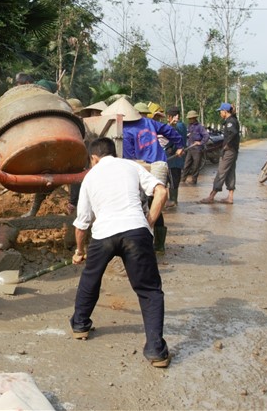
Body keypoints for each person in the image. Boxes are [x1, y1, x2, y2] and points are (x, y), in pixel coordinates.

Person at [69, 137, 171, 368]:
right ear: (113, 153)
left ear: (94, 158)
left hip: (103, 234)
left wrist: (79, 251)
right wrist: (150, 222)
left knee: (90, 279)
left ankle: (80, 326)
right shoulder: (130, 165)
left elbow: (81, 223)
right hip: (135, 231)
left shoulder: (90, 177)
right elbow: (161, 191)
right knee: (149, 290)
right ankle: (156, 351)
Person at [105, 97, 183, 253]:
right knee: (156, 204)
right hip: (160, 165)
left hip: (142, 168)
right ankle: (159, 245)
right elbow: (169, 131)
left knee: (139, 205)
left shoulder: (124, 131)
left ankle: (141, 242)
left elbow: (128, 158)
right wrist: (180, 145)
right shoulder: (150, 123)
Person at [201, 103, 240, 205]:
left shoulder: (230, 122)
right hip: (233, 151)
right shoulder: (233, 120)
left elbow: (234, 133)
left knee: (221, 172)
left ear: (225, 111)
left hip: (229, 151)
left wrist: (227, 145)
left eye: (220, 111)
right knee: (230, 172)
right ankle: (230, 197)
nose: (220, 113)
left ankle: (211, 196)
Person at [164, 106, 187, 208]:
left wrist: (171, 125)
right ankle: (171, 200)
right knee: (169, 180)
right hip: (173, 158)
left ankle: (173, 200)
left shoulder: (179, 126)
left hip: (174, 159)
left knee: (173, 180)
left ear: (169, 116)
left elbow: (175, 134)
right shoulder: (178, 125)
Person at [181, 110, 209, 185]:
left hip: (197, 149)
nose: (189, 120)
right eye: (189, 119)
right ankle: (183, 179)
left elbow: (206, 136)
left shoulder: (200, 127)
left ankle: (194, 180)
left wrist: (200, 143)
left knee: (196, 165)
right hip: (190, 148)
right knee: (186, 164)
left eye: (191, 118)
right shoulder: (189, 126)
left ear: (194, 118)